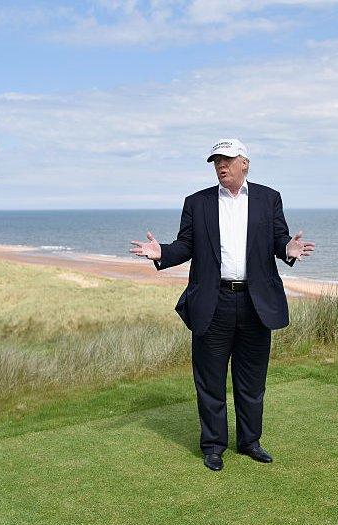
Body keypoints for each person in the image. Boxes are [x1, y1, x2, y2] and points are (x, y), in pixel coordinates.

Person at [129, 139, 314, 471]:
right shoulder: (197, 202)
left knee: (252, 380)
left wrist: (289, 249)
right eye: (216, 161)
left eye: (227, 159)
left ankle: (250, 442)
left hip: (256, 303)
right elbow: (185, 244)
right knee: (210, 380)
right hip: (213, 303)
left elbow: (278, 239)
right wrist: (162, 253)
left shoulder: (268, 198)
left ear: (245, 163)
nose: (221, 166)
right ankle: (213, 445)